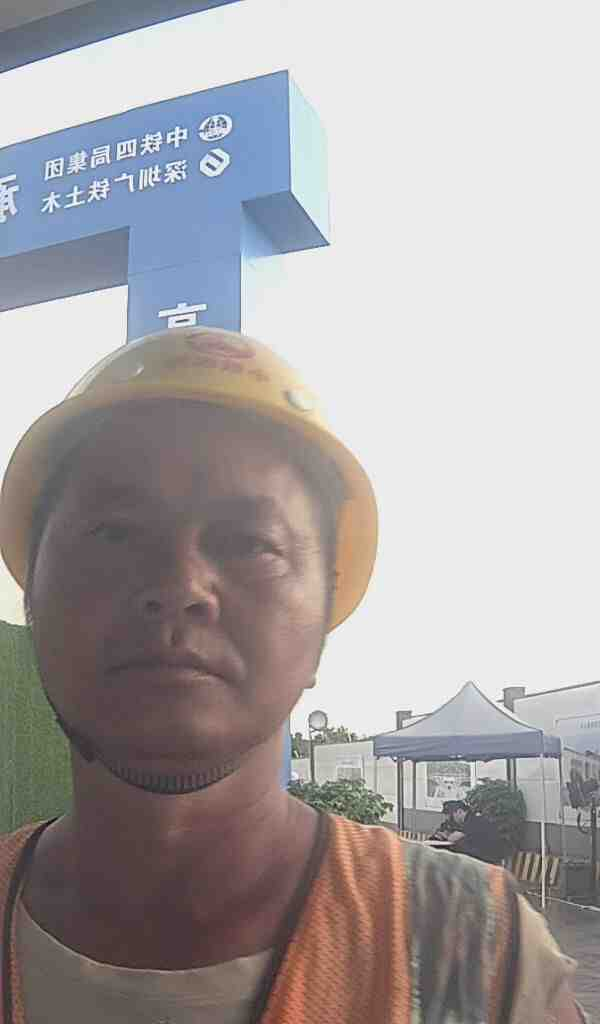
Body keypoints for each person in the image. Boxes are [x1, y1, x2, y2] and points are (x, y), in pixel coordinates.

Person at [0, 327, 584, 1022]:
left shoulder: (480, 955)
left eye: (250, 543)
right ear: (33, 592)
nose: (180, 585)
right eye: (113, 532)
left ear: (324, 617)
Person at [445, 800, 507, 865]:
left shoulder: (470, 820)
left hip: (485, 858)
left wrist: (446, 836)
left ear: (459, 811)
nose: (453, 819)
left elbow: (453, 838)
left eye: (452, 815)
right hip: (492, 856)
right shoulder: (474, 817)